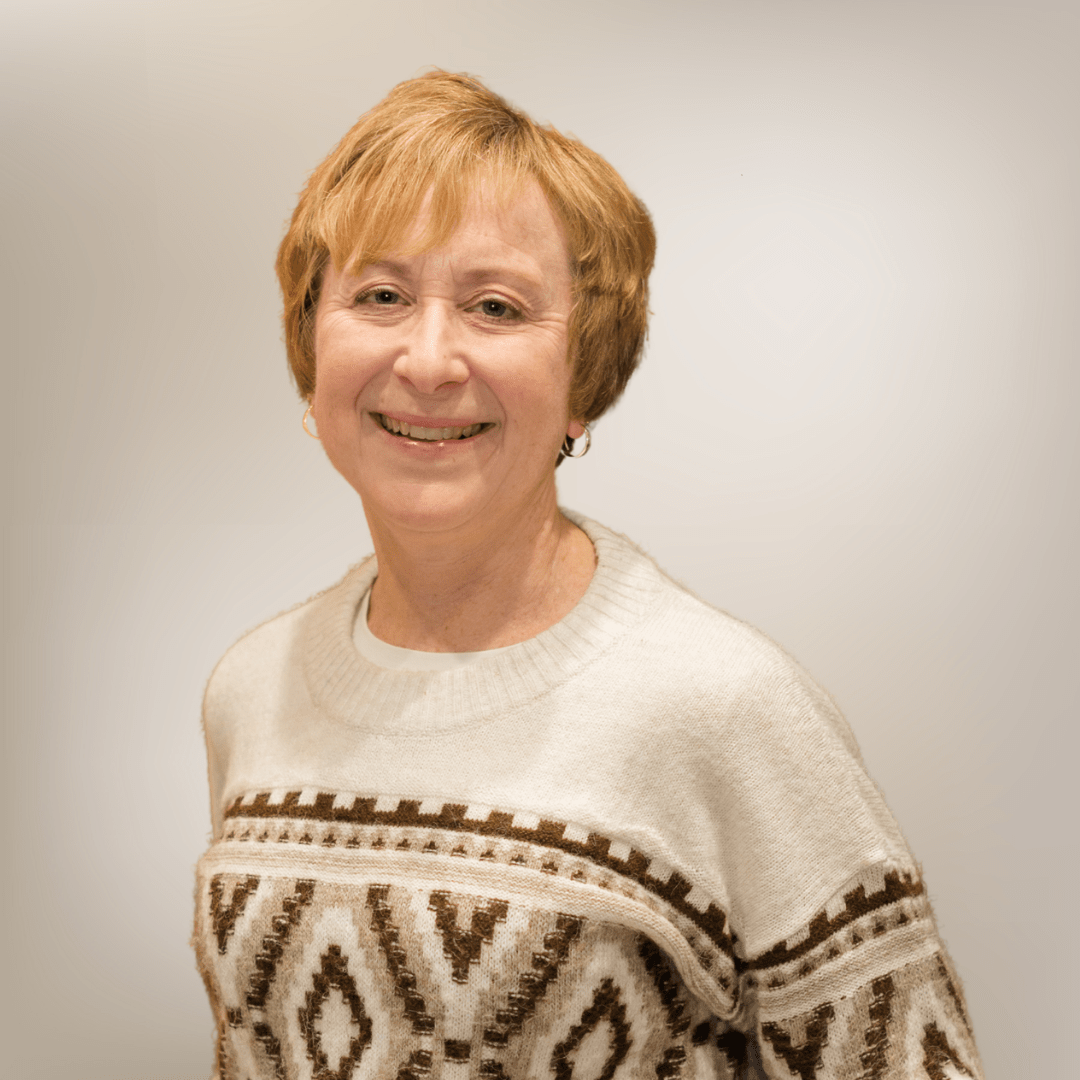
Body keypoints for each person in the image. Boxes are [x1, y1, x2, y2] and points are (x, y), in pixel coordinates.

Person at [192, 71, 983, 1080]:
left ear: (584, 377)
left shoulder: (724, 706)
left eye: (496, 307)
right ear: (313, 344)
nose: (428, 361)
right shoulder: (251, 689)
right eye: (380, 296)